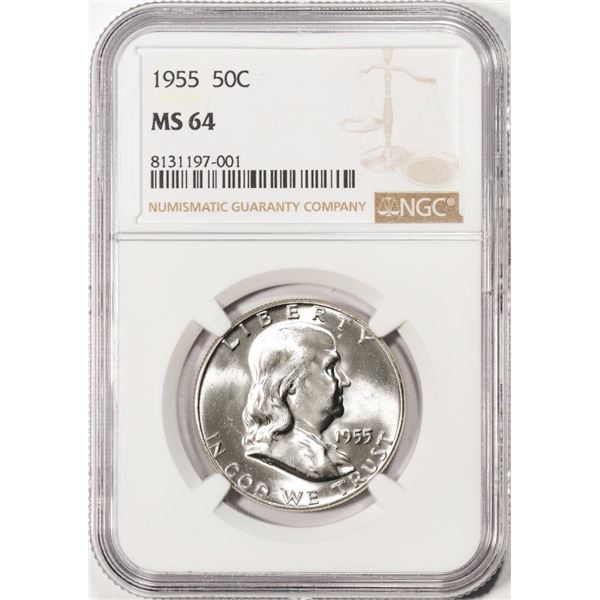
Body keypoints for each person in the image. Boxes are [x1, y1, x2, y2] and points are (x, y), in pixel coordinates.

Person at [242, 321, 354, 481]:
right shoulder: (297, 458)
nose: (344, 381)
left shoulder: (327, 456)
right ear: (290, 383)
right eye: (330, 368)